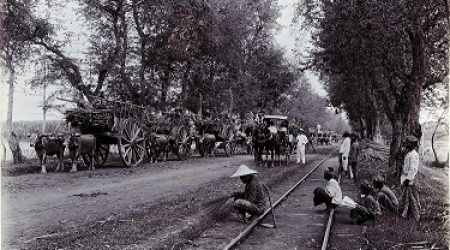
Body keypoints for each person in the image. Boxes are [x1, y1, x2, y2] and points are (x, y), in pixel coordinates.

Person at [399, 135, 421, 221]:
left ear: (412, 145)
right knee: (406, 197)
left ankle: (416, 216)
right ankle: (406, 213)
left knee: (412, 198)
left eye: (408, 143)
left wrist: (408, 179)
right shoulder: (409, 153)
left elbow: (413, 169)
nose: (406, 144)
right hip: (406, 178)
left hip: (410, 180)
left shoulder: (414, 155)